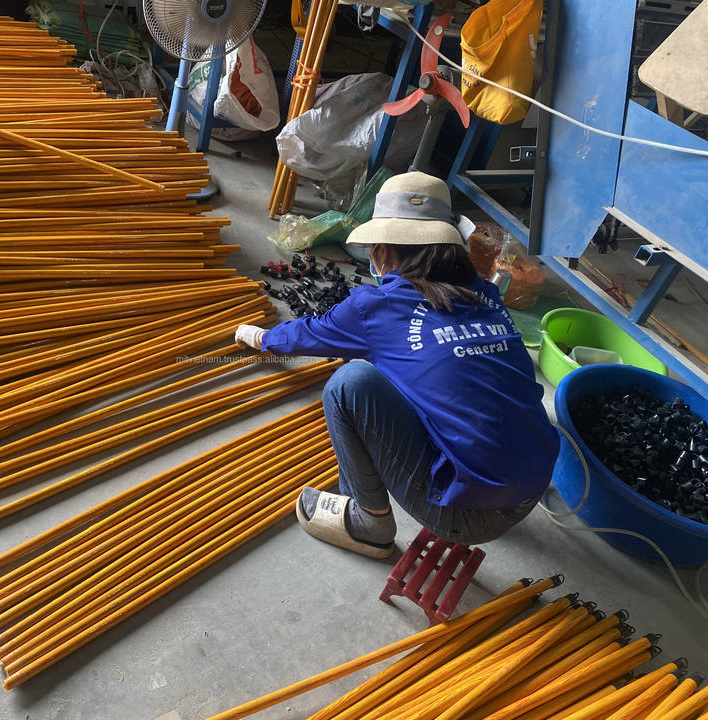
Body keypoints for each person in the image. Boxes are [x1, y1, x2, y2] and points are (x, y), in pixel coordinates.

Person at [234, 171, 559, 559]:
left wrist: (258, 337)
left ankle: (369, 520)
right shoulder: (486, 294)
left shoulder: (376, 308)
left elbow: (306, 335)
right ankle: (483, 484)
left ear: (384, 250)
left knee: (351, 382)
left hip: (467, 517)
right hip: (533, 483)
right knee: (432, 376)